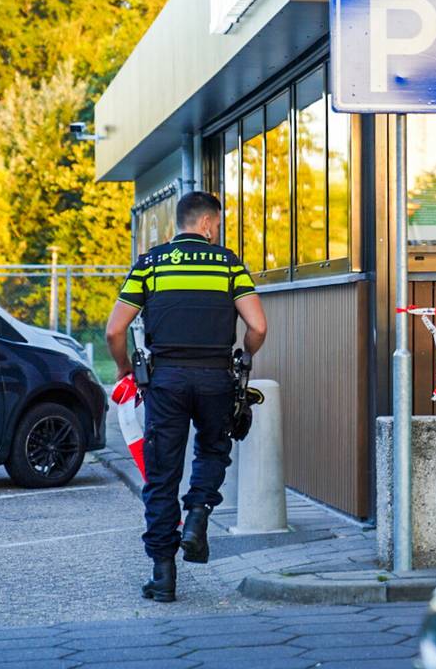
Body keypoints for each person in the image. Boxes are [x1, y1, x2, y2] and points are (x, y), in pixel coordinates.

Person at [105, 191, 267, 603]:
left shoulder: (151, 264)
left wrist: (124, 368)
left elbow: (114, 331)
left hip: (166, 382)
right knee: (213, 452)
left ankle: (163, 577)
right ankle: (196, 517)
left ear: (181, 223)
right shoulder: (230, 264)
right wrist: (244, 355)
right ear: (209, 224)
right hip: (215, 378)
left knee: (162, 475)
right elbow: (258, 327)